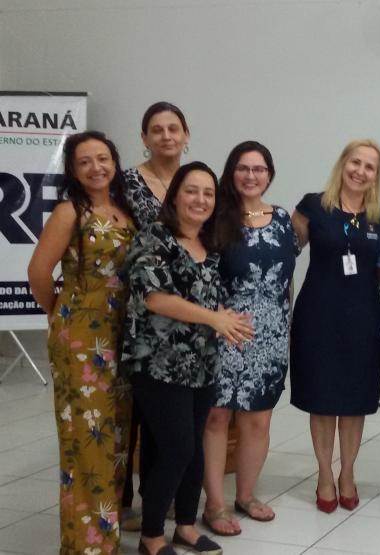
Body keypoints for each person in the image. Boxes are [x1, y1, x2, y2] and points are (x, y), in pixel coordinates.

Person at [120, 162, 254, 555]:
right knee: (176, 449)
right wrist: (215, 318)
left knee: (192, 446)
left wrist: (230, 323)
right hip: (158, 364)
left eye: (208, 193)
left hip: (202, 362)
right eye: (191, 191)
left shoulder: (211, 243)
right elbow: (155, 298)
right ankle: (150, 535)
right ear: (175, 195)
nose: (200, 200)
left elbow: (210, 301)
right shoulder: (155, 237)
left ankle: (184, 526)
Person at [28, 131, 135, 555]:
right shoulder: (70, 212)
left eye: (104, 158)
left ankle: (104, 533)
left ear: (114, 162)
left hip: (121, 337)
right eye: (85, 161)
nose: (97, 167)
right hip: (80, 339)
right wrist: (59, 311)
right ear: (73, 170)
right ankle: (86, 546)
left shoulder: (124, 211)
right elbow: (38, 272)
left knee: (112, 438)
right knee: (85, 439)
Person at [200, 141, 299, 535]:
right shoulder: (215, 217)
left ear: (270, 174)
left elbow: (287, 277)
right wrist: (214, 318)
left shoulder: (281, 219)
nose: (251, 175)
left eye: (259, 169)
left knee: (258, 419)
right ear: (231, 172)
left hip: (271, 332)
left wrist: (285, 325)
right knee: (217, 415)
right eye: (243, 168)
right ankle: (215, 504)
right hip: (224, 330)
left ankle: (246, 495)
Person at [289, 139, 380, 513]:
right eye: (355, 162)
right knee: (322, 399)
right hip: (318, 314)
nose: (360, 171)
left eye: (369, 167)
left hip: (364, 315)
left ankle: (348, 473)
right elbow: (286, 254)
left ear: (376, 175)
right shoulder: (313, 205)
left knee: (354, 402)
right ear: (343, 164)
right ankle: (324, 474)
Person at [120, 101, 191, 529]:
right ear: (144, 137)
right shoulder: (126, 183)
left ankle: (157, 497)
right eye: (157, 129)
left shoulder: (197, 181)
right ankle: (120, 501)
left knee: (163, 414)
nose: (166, 136)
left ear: (186, 134)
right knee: (133, 408)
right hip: (139, 308)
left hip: (186, 317)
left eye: (174, 128)